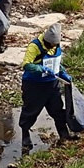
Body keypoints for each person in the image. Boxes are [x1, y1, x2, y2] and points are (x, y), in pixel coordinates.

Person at [20, 22, 74, 152]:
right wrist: (39, 68)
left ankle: (64, 134)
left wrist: (63, 73)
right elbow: (26, 64)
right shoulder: (35, 46)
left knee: (57, 110)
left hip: (52, 84)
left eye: (55, 44)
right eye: (51, 44)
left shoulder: (56, 45)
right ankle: (25, 136)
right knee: (30, 111)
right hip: (34, 85)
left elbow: (57, 63)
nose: (53, 46)